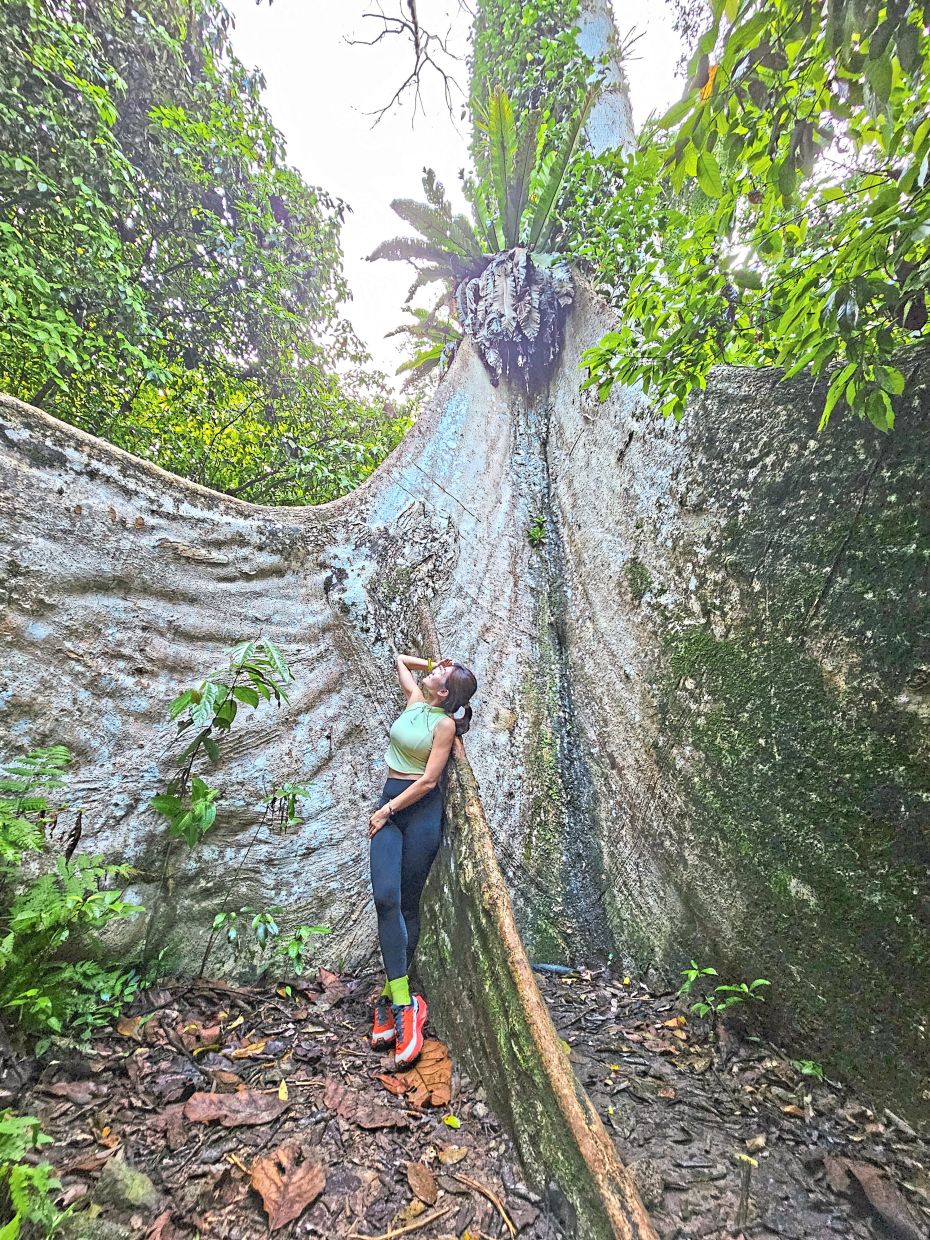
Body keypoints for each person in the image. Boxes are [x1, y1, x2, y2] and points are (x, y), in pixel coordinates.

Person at [368, 650, 477, 1066]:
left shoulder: (445, 724)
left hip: (417, 814)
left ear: (445, 691)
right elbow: (399, 659)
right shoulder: (415, 701)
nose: (431, 672)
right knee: (386, 900)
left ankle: (394, 1001)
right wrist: (434, 660)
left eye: (440, 673)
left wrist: (387, 811)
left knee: (407, 904)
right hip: (389, 807)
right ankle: (403, 1001)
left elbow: (430, 780)